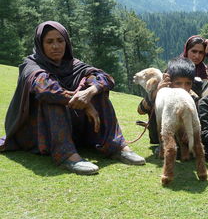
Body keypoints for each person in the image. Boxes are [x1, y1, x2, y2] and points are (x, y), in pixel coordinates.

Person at [1, 21, 145, 175]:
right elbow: (46, 89)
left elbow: (106, 78)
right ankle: (67, 156)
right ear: (40, 44)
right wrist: (85, 105)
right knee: (53, 101)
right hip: (37, 133)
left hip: (70, 128)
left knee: (97, 92)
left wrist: (90, 92)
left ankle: (116, 147)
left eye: (60, 41)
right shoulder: (31, 65)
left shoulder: (72, 64)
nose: (56, 46)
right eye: (49, 42)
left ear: (66, 42)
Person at [137, 57, 198, 146]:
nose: (183, 88)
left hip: (183, 140)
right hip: (160, 138)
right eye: (178, 83)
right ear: (169, 81)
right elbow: (140, 110)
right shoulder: (160, 93)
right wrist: (155, 94)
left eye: (188, 83)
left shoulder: (193, 98)